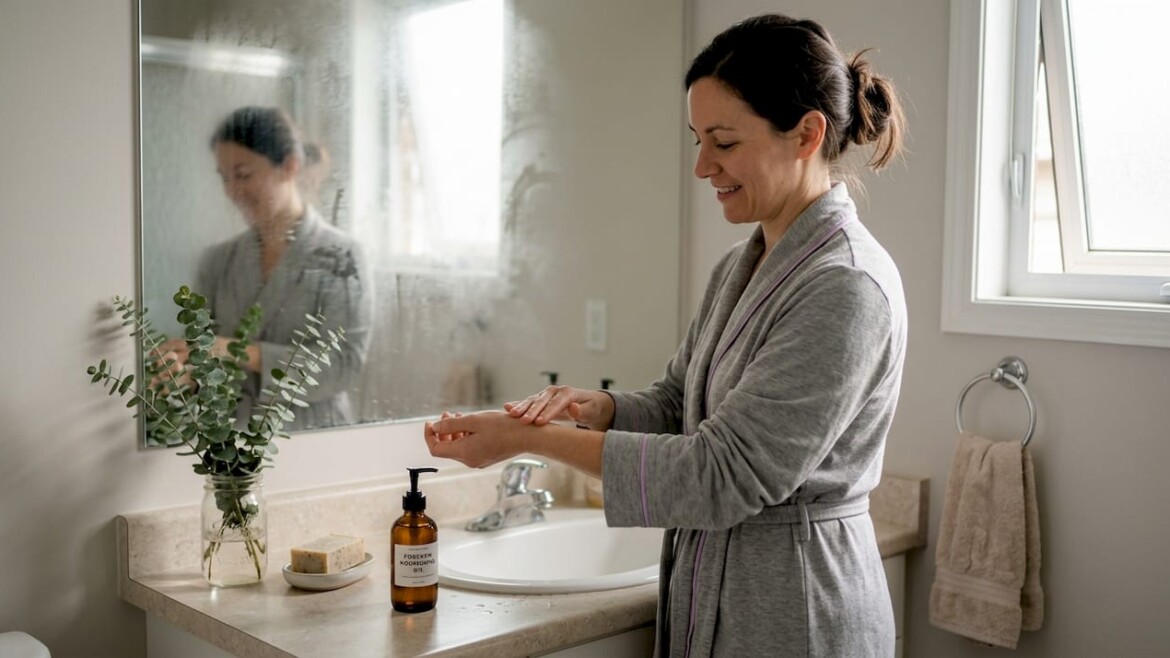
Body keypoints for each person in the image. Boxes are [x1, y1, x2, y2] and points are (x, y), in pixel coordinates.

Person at [425, 13, 906, 657]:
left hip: (797, 612)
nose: (702, 165)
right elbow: (685, 404)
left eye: (724, 142)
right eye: (697, 139)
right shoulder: (743, 264)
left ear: (806, 134)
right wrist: (602, 410)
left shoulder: (845, 286)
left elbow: (721, 472)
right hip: (719, 591)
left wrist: (527, 440)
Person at [159, 106, 373, 431]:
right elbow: (204, 367)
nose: (232, 191)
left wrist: (233, 349)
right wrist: (180, 376)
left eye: (243, 175)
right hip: (233, 447)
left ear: (289, 166)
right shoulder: (217, 261)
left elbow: (343, 367)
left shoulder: (342, 257)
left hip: (316, 442)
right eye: (224, 177)